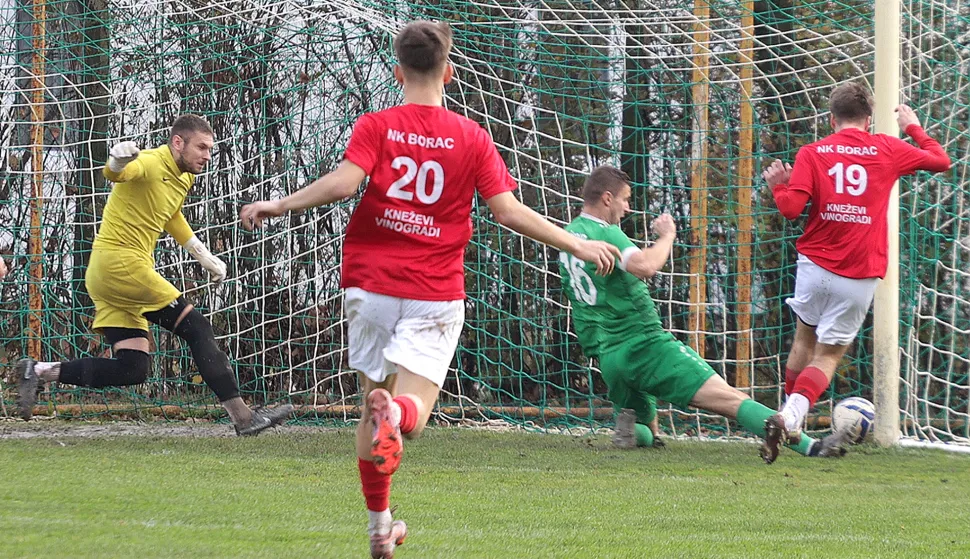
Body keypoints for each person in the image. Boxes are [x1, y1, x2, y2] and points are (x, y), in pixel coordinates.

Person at [239, 20, 621, 559]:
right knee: (407, 411)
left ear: (397, 71)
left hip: (368, 286)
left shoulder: (377, 124)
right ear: (450, 71)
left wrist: (279, 203)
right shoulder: (472, 137)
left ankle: (379, 526)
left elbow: (345, 184)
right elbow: (507, 211)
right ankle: (399, 416)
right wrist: (577, 244)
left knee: (368, 409)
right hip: (433, 291)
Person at [15, 115, 293, 435]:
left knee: (133, 368)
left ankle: (38, 371)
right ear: (178, 142)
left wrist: (203, 256)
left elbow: (170, 215)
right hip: (122, 266)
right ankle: (244, 418)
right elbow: (116, 174)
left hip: (107, 274)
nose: (207, 155)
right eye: (201, 147)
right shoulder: (148, 162)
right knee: (198, 328)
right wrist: (118, 161)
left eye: (210, 149)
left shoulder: (184, 176)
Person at [559, 165, 849, 464]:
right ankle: (810, 446)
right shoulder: (606, 233)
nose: (627, 208)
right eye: (624, 200)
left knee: (643, 428)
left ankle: (635, 432)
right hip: (644, 346)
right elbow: (645, 266)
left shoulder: (568, 238)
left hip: (609, 357)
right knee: (728, 398)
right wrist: (667, 236)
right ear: (607, 198)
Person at [762, 82, 951, 442]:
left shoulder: (813, 153)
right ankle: (790, 417)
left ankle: (790, 418)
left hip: (815, 265)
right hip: (860, 271)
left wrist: (779, 185)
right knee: (830, 354)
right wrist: (912, 126)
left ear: (831, 118)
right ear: (869, 119)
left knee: (804, 338)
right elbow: (941, 160)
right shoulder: (888, 147)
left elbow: (790, 210)